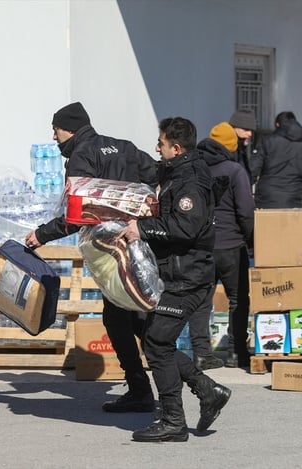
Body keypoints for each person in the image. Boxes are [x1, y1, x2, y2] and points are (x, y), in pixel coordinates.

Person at [24, 102, 159, 413]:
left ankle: (166, 384)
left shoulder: (81, 156)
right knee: (134, 314)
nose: (54, 136)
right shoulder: (123, 147)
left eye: (56, 129)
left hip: (109, 251)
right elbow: (156, 173)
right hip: (137, 244)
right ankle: (159, 384)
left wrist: (42, 234)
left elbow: (77, 215)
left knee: (120, 318)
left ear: (70, 128)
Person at [120, 117, 231, 443]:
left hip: (188, 278)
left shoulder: (191, 182)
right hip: (179, 274)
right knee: (154, 337)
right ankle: (207, 389)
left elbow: (187, 227)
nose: (157, 148)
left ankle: (174, 421)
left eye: (162, 143)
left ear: (176, 147)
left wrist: (144, 228)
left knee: (156, 343)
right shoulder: (179, 172)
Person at [190, 122, 255, 369]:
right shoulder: (235, 170)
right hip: (231, 246)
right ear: (230, 146)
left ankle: (202, 353)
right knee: (238, 299)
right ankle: (237, 353)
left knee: (201, 300)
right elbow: (246, 212)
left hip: (202, 245)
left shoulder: (195, 169)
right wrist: (251, 240)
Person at [251, 111, 302, 208]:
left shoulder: (266, 141)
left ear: (277, 124)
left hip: (265, 200)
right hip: (292, 202)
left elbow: (252, 171)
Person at [227, 109, 257, 180]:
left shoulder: (241, 149)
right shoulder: (228, 150)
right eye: (246, 129)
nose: (250, 134)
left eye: (251, 130)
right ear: (234, 128)